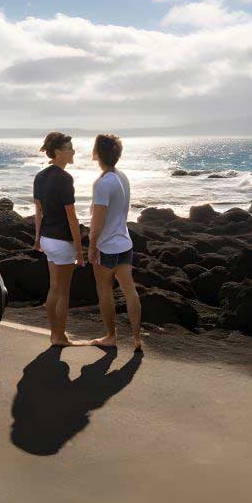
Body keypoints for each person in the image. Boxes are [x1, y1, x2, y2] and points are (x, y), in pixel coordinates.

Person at [87, 134, 143, 352]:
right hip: (124, 242)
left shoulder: (102, 183)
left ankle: (111, 336)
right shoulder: (123, 177)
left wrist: (92, 246)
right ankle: (137, 338)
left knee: (105, 291)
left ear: (97, 153)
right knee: (129, 290)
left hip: (107, 246)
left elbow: (98, 220)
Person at [33, 132, 85, 347]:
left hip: (47, 239)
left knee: (54, 288)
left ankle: (54, 334)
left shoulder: (40, 176)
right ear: (57, 153)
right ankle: (59, 336)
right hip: (62, 242)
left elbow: (39, 212)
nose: (73, 152)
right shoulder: (65, 178)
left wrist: (37, 239)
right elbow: (71, 215)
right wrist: (80, 250)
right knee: (63, 291)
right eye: (69, 148)